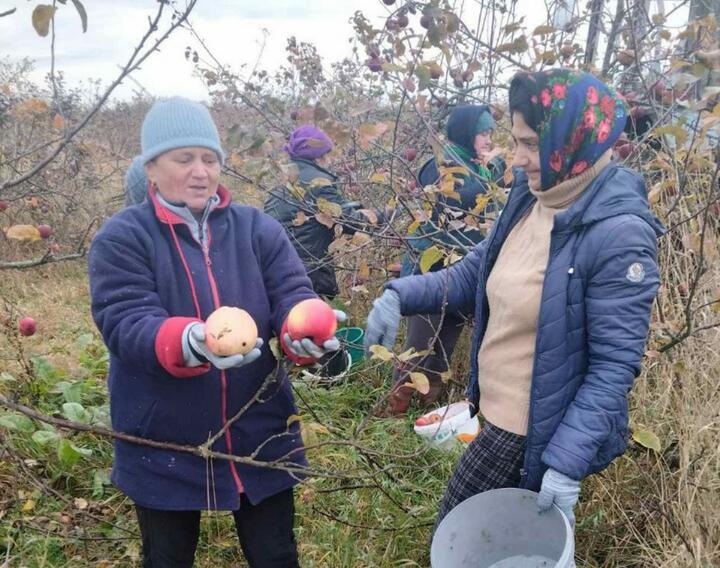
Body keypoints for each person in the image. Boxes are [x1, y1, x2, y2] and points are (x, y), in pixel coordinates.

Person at [364, 69, 664, 528]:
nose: (517, 159)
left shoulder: (618, 234)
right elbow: (473, 274)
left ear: (570, 142)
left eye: (530, 144)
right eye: (515, 141)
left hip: (531, 432)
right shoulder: (534, 195)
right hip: (495, 411)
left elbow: (613, 365)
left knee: (462, 535)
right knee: (495, 542)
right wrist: (398, 294)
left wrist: (565, 463)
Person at [88, 97, 344, 567]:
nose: (200, 171)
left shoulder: (255, 228)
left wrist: (301, 330)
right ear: (151, 167)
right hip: (163, 433)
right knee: (167, 558)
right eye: (183, 159)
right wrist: (192, 341)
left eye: (209, 159)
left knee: (276, 556)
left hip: (258, 426)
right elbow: (125, 321)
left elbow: (291, 292)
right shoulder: (123, 237)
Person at [385, 105, 505, 415]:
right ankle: (394, 413)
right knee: (419, 344)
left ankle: (429, 410)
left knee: (444, 347)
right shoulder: (443, 165)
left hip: (462, 273)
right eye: (482, 132)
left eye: (491, 132)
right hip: (433, 271)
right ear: (466, 132)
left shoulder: (482, 167)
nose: (488, 139)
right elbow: (442, 217)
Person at [264, 124, 387, 299]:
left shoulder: (280, 186)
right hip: (308, 279)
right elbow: (354, 223)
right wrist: (388, 213)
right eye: (327, 154)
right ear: (318, 157)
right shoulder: (318, 183)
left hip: (276, 276)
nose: (330, 161)